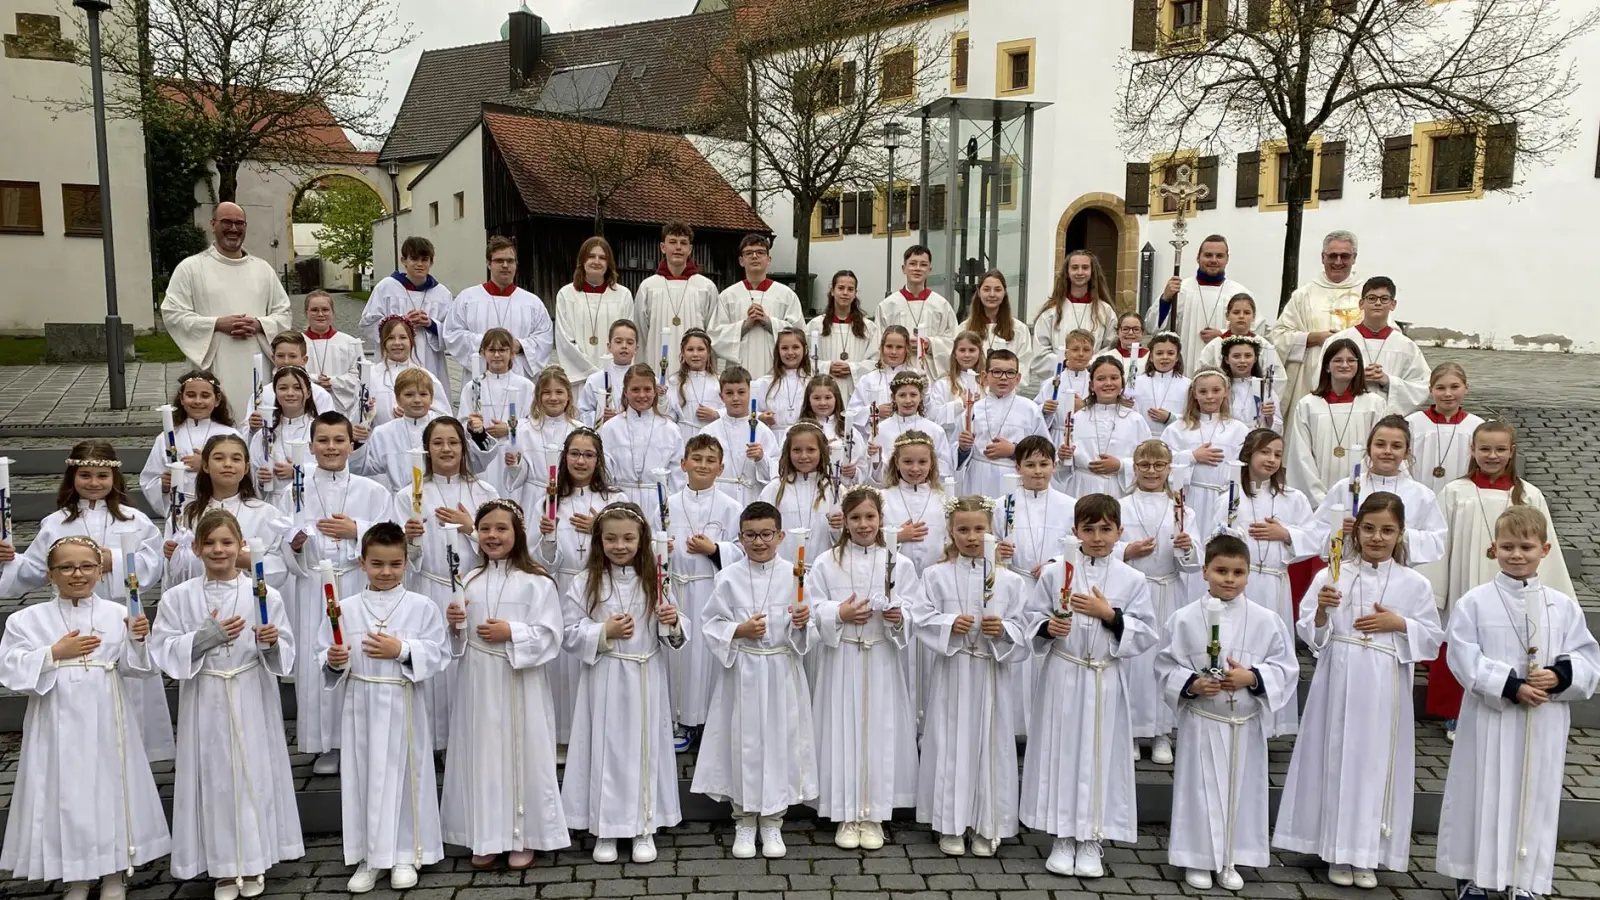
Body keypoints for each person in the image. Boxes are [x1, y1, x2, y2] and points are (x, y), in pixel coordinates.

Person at [1273, 493, 1442, 888]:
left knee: (1374, 764)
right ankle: (1334, 848)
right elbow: (1310, 635)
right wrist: (1321, 611)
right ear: (1356, 529)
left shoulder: (1414, 583)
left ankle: (1366, 852)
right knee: (1335, 755)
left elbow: (1433, 640)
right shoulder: (1332, 575)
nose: (1377, 538)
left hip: (1385, 684)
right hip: (1340, 677)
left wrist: (1399, 623)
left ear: (1401, 534)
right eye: (1369, 528)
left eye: (1387, 530)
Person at [1435, 506, 1598, 900]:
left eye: (1526, 547)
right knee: (1482, 789)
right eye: (1507, 546)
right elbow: (1461, 655)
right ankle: (1473, 875)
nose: (1517, 554)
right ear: (1493, 549)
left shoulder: (1563, 605)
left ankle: (1526, 880)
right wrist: (1509, 685)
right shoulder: (1475, 602)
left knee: (1535, 797)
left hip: (1542, 719)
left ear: (1544, 550)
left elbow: (1587, 657)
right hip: (1491, 717)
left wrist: (1560, 676)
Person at [0, 535, 169, 900]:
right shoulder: (26, 619)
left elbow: (138, 668)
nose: (77, 574)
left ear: (100, 570)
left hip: (107, 715)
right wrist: (53, 653)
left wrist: (139, 641)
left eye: (87, 566)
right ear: (50, 575)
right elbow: (10, 668)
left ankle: (113, 873)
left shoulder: (117, 613)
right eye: (67, 567)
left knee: (109, 788)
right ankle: (74, 876)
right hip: (56, 720)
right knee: (66, 793)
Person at [151, 509, 302, 900]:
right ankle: (221, 868)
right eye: (211, 543)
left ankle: (253, 862)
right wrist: (203, 638)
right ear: (197, 548)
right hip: (206, 696)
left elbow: (285, 651)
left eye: (227, 542)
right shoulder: (177, 597)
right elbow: (162, 650)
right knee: (215, 780)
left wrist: (269, 642)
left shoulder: (264, 594)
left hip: (251, 691)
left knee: (254, 774)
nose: (219, 549)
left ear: (241, 547)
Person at [0, 442, 173, 762]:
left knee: (127, 697)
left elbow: (153, 565)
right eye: (85, 475)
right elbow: (37, 570)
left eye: (102, 475)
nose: (94, 482)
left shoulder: (135, 521)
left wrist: (115, 561)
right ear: (72, 476)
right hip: (70, 619)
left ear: (115, 477)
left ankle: (131, 763)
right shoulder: (56, 523)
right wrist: (11, 559)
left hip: (119, 619)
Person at [1022, 494, 1159, 877]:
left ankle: (1092, 838)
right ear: (1075, 530)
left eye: (1105, 529)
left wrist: (1111, 617)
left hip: (1103, 676)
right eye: (1089, 529)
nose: (1097, 537)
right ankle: (1063, 835)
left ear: (1119, 532)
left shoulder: (1132, 579)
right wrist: (1049, 628)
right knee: (1062, 750)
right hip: (1063, 672)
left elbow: (1146, 630)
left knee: (1099, 754)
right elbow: (1031, 617)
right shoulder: (1056, 573)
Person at [1156, 534, 1298, 891]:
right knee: (1199, 790)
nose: (1229, 579)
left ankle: (1233, 857)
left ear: (1249, 575)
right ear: (1204, 571)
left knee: (1241, 790)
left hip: (1243, 725)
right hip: (1204, 720)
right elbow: (1164, 664)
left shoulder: (1267, 620)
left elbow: (1286, 666)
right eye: (1221, 570)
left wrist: (1252, 676)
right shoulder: (1185, 619)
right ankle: (1198, 857)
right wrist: (1191, 684)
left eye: (1238, 572)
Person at [318, 522, 451, 892]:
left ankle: (407, 851)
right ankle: (368, 856)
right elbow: (326, 654)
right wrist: (333, 659)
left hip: (402, 701)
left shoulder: (421, 606)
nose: (386, 572)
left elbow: (439, 652)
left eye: (394, 564)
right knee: (364, 777)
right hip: (361, 704)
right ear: (362, 563)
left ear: (406, 562)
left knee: (407, 775)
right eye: (377, 564)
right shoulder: (342, 609)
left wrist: (403, 651)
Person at [441, 499, 570, 870]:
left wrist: (510, 631)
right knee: (483, 754)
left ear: (518, 534)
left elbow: (551, 634)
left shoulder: (537, 581)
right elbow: (454, 643)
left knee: (522, 752)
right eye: (485, 529)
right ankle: (486, 834)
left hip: (520, 681)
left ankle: (523, 834)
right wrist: (454, 624)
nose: (493, 536)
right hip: (479, 683)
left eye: (502, 529)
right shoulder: (467, 580)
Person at [1425, 421, 1574, 742]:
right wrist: (1436, 594)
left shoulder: (1529, 495)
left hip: (1518, 589)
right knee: (1466, 641)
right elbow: (1440, 548)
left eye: (1500, 449)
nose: (1492, 455)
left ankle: (1512, 696)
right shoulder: (1454, 493)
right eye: (1485, 449)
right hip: (1465, 584)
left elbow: (1548, 548)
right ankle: (1456, 712)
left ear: (1512, 452)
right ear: (1473, 451)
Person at [562, 502, 687, 864]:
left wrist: (672, 619)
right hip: (605, 677)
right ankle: (606, 828)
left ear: (642, 540)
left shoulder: (657, 579)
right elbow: (569, 632)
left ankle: (643, 825)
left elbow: (674, 635)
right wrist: (604, 631)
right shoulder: (584, 582)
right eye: (612, 538)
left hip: (645, 675)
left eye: (629, 538)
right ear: (599, 541)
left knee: (643, 750)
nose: (620, 546)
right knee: (606, 751)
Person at [692, 500, 818, 859]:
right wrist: (738, 630)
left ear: (780, 536)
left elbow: (808, 635)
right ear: (740, 538)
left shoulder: (796, 576)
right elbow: (711, 623)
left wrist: (802, 623)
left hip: (780, 671)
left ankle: (774, 821)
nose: (759, 542)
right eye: (750, 535)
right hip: (743, 672)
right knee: (743, 744)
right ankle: (745, 820)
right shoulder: (728, 576)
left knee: (780, 743)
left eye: (766, 534)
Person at [277, 412, 395, 775]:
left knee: (360, 655)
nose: (331, 447)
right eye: (323, 441)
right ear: (311, 446)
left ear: (351, 444)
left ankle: (365, 738)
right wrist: (294, 543)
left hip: (358, 583)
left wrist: (356, 529)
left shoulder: (372, 490)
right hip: (314, 585)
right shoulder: (292, 491)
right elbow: (281, 536)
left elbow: (389, 535)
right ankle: (326, 742)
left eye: (338, 440)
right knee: (321, 661)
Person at [912, 495, 1029, 858]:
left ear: (991, 530)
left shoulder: (1010, 582)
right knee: (950, 744)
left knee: (989, 745)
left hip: (990, 673)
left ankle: (987, 822)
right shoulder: (936, 576)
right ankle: (949, 822)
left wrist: (1004, 629)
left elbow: (1024, 628)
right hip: (954, 669)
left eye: (979, 528)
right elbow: (921, 617)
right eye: (963, 529)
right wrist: (949, 623)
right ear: (950, 532)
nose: (972, 537)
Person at [806, 486, 919, 851]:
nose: (863, 524)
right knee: (843, 731)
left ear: (881, 520)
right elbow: (812, 607)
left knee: (879, 733)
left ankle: (874, 814)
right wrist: (838, 613)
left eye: (870, 517)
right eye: (855, 518)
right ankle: (845, 813)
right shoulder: (826, 562)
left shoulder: (899, 563)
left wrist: (898, 616)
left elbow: (915, 609)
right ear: (844, 522)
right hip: (842, 659)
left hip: (881, 657)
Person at [397, 416, 501, 750]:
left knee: (469, 668)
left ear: (464, 447)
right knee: (435, 668)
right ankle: (436, 743)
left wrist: (470, 527)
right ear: (426, 449)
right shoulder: (409, 494)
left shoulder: (484, 491)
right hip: (428, 586)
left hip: (473, 590)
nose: (446, 449)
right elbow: (399, 555)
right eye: (438, 442)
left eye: (453, 442)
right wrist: (409, 540)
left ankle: (471, 741)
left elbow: (501, 544)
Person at [1212, 429, 1318, 738]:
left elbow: (1313, 538)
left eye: (1277, 454)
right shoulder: (1231, 497)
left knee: (1269, 648)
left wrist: (1285, 534)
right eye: (1264, 452)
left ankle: (1269, 724)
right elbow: (1215, 539)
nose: (1271, 459)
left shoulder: (1293, 498)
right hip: (1241, 584)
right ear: (1248, 456)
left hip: (1273, 583)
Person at [533, 427, 623, 749]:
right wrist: (548, 536)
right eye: (574, 454)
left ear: (599, 460)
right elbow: (545, 562)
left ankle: (599, 737)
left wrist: (601, 527)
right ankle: (564, 737)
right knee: (564, 664)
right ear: (564, 457)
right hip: (563, 586)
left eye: (588, 454)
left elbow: (628, 546)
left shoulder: (615, 498)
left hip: (604, 588)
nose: (581, 461)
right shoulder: (550, 499)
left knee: (597, 659)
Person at [162, 202, 293, 410]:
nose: (233, 228)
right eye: (226, 222)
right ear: (213, 225)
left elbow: (283, 312)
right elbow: (172, 313)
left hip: (256, 361)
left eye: (239, 223)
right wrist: (216, 324)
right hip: (215, 362)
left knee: (257, 419)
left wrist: (259, 324)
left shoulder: (262, 269)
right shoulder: (191, 268)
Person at [1120, 441, 1202, 763]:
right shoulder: (1121, 505)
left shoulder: (1182, 509)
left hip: (1168, 591)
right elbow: (1108, 545)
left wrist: (1186, 547)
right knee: (1133, 664)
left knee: (1164, 662)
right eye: (1144, 464)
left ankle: (1161, 733)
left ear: (1169, 468)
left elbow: (1195, 564)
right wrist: (1128, 551)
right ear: (1134, 467)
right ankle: (1129, 729)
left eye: (1159, 465)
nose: (1151, 471)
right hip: (1133, 593)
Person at [662, 435, 744, 748]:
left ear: (721, 468)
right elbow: (649, 546)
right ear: (683, 464)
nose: (703, 465)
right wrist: (662, 547)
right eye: (696, 459)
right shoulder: (667, 503)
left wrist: (715, 549)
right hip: (679, 590)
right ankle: (680, 721)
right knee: (680, 659)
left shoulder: (731, 506)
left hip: (711, 590)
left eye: (711, 461)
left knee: (709, 658)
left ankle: (709, 725)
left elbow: (742, 549)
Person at [994, 435, 1078, 738]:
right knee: (1018, 656)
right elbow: (990, 544)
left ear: (1055, 466)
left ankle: (1045, 728)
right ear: (1017, 467)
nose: (1037, 471)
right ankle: (1013, 727)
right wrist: (997, 552)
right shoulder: (1001, 505)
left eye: (1044, 464)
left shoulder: (1069, 506)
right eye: (1030, 465)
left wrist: (1055, 562)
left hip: (1051, 591)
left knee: (1045, 656)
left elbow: (1075, 545)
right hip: (1016, 587)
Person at [1309, 415, 1449, 570]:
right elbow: (1314, 535)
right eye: (1380, 445)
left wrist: (1399, 533)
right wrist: (1339, 530)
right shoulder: (1344, 488)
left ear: (1407, 452)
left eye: (1396, 446)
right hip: (1350, 572)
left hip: (1398, 576)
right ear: (1369, 449)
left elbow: (1436, 542)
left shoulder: (1422, 495)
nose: (1387, 451)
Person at [880, 430, 951, 727]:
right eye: (907, 462)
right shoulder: (884, 498)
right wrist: (898, 535)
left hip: (935, 589)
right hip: (901, 589)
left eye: (922, 462)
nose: (915, 468)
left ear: (932, 464)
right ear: (896, 464)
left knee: (931, 662)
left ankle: (930, 724)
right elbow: (868, 535)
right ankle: (904, 722)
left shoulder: (943, 498)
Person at [1268, 230, 1365, 433]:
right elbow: (1277, 337)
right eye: (1332, 256)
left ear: (1354, 258)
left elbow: (1383, 337)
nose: (1338, 261)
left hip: (1354, 381)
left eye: (1345, 256)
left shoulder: (1367, 295)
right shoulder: (1304, 295)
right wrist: (1312, 338)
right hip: (1309, 381)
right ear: (1323, 257)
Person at [170, 433, 293, 590]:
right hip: (199, 599)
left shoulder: (266, 514)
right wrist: (175, 556)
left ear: (246, 467)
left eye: (236, 459)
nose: (228, 464)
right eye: (219, 458)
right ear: (205, 466)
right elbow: (175, 574)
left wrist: (251, 561)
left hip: (248, 599)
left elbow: (280, 566)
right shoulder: (187, 515)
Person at [351, 368, 495, 492]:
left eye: (423, 394)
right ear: (398, 399)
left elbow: (475, 463)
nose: (417, 400)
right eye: (409, 395)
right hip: (402, 500)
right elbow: (362, 467)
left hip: (439, 497)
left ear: (432, 398)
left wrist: (479, 435)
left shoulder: (447, 427)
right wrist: (358, 442)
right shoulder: (384, 432)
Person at [1286, 338, 1387, 506]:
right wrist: (1320, 499)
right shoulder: (1308, 405)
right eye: (1338, 360)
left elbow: (1377, 449)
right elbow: (1301, 454)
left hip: (1360, 494)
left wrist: (1356, 491)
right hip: (1317, 499)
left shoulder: (1374, 404)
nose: (1345, 365)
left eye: (1351, 360)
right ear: (1327, 366)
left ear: (1358, 365)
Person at [444, 236, 553, 380]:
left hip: (519, 376)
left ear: (516, 264)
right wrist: (487, 342)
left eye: (510, 261)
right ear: (488, 264)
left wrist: (520, 345)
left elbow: (544, 338)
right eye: (499, 260)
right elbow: (452, 334)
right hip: (480, 375)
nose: (505, 265)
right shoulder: (467, 298)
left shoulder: (532, 302)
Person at [140, 370, 244, 519]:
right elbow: (149, 478)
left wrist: (205, 465)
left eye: (205, 395)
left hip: (222, 509)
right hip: (182, 509)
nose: (197, 401)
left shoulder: (230, 435)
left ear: (217, 400)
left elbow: (243, 472)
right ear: (181, 399)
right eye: (191, 395)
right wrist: (161, 485)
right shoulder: (167, 437)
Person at [360, 236, 454, 395]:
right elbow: (367, 323)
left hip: (429, 361)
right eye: (414, 259)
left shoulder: (442, 294)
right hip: (393, 359)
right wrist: (400, 323)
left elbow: (452, 332)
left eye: (424, 259)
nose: (419, 264)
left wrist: (431, 324)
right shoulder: (387, 287)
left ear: (431, 262)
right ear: (404, 260)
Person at [1160, 368, 1248, 536]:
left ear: (1226, 392)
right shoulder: (1178, 428)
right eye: (1203, 391)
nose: (1210, 396)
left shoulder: (1239, 429)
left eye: (1216, 390)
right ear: (1194, 394)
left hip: (1224, 498)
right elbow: (1162, 460)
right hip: (1190, 496)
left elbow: (1245, 467)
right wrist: (1191, 456)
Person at [1328, 276, 1429, 414]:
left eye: (1384, 299)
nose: (1378, 303)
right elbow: (1320, 379)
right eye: (1371, 298)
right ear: (1361, 303)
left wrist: (1388, 381)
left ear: (1393, 304)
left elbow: (1421, 386)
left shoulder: (1406, 346)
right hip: (1345, 414)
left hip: (1386, 420)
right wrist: (1356, 378)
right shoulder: (1339, 340)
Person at [1155, 236, 1253, 376]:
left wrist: (1225, 334)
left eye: (1219, 256)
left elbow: (1255, 331)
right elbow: (1156, 327)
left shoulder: (1239, 292)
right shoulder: (1180, 289)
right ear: (1198, 258)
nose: (1213, 260)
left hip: (1225, 367)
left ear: (1227, 259)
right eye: (1208, 255)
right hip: (1185, 364)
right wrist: (1166, 299)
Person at [601, 363, 685, 528]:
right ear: (626, 391)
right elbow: (605, 474)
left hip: (658, 504)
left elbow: (678, 478)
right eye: (635, 390)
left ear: (655, 392)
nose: (642, 395)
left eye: (647, 389)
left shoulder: (670, 430)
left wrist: (671, 511)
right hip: (620, 502)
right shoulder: (610, 428)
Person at [956, 349, 1048, 497]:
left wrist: (1014, 450)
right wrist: (963, 448)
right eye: (997, 372)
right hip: (978, 477)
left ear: (1018, 378)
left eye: (1010, 373)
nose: (1003, 378)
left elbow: (1044, 450)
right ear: (985, 376)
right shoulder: (974, 409)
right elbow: (954, 451)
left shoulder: (1030, 409)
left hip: (1013, 477)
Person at [710, 234, 803, 374]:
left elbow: (800, 333)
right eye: (748, 253)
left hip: (775, 370)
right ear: (741, 261)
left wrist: (769, 322)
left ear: (768, 260)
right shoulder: (728, 296)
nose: (754, 256)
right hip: (738, 374)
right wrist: (745, 325)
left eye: (760, 252)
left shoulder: (786, 295)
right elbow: (715, 336)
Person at [634, 222, 718, 376]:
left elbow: (712, 333)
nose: (678, 247)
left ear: (690, 249)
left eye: (683, 243)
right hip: (657, 366)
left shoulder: (706, 287)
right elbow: (641, 332)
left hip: (697, 372)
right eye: (672, 242)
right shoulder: (648, 287)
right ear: (663, 247)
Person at [458, 328, 536, 492]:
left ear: (512, 353)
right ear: (483, 353)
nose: (497, 355)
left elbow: (534, 422)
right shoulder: (472, 387)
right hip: (484, 458)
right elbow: (462, 423)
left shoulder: (526, 386)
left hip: (512, 454)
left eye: (502, 350)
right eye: (491, 350)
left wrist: (510, 428)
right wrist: (471, 426)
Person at [759, 422, 843, 567]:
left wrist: (840, 526)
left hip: (823, 570)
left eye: (811, 450)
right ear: (788, 452)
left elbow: (845, 539)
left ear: (822, 451)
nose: (804, 456)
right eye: (797, 450)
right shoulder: (774, 489)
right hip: (783, 569)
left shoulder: (836, 490)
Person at [554, 237, 637, 382]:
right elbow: (565, 340)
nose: (596, 262)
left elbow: (627, 338)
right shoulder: (566, 295)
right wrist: (593, 373)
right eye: (591, 256)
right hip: (578, 379)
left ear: (609, 263)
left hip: (613, 376)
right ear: (582, 261)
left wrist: (607, 369)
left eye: (602, 258)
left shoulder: (623, 295)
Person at [1066, 354, 1150, 497]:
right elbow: (1064, 464)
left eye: (1114, 378)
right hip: (1083, 487)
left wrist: (1121, 465)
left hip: (1119, 488)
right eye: (1101, 379)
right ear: (1092, 385)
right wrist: (1064, 457)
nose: (1108, 383)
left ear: (1122, 383)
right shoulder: (1078, 418)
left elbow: (1148, 458)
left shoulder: (1135, 420)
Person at [700, 366, 780, 507]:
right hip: (719, 499)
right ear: (721, 396)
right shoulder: (709, 432)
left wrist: (761, 458)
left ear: (750, 393)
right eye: (729, 393)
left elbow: (775, 475)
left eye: (741, 392)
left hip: (751, 498)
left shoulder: (763, 432)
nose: (735, 398)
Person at [1032, 249, 1119, 377]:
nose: (1079, 272)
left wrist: (1090, 363)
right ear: (1067, 272)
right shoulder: (1051, 311)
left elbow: (1111, 347)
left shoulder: (1105, 311)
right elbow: (1040, 353)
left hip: (1092, 378)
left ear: (1092, 272)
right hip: (1059, 378)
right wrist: (1066, 362)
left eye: (1085, 268)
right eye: (1074, 268)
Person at [876, 245, 958, 376]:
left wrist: (930, 344)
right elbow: (878, 342)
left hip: (931, 375)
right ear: (904, 268)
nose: (917, 269)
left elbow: (954, 341)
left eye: (923, 264)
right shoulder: (888, 306)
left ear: (930, 269)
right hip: (896, 374)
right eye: (913, 264)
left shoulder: (941, 305)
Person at [1403, 363, 1483, 496]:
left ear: (1466, 388)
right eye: (1440, 388)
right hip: (1418, 494)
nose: (1448, 394)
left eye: (1455, 387)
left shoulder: (1476, 426)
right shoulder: (1412, 423)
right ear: (1430, 390)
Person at [248, 367, 319, 509]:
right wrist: (261, 480)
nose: (290, 393)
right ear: (275, 392)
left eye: (297, 388)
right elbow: (252, 472)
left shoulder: (319, 431)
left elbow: (333, 468)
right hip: (273, 505)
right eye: (283, 388)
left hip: (311, 503)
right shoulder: (264, 434)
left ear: (309, 393)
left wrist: (299, 472)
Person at [867, 371, 954, 485]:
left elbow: (944, 469)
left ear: (921, 396)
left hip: (926, 493)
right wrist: (876, 462)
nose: (908, 400)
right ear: (893, 397)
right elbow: (874, 477)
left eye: (913, 395)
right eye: (902, 395)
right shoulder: (880, 430)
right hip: (892, 493)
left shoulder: (935, 430)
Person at [806, 270, 881, 402]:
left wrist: (852, 368)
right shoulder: (815, 326)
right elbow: (805, 360)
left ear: (855, 294)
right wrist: (827, 367)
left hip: (856, 393)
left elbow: (877, 361)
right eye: (841, 288)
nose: (845, 293)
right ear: (832, 291)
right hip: (824, 394)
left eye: (850, 289)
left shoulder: (868, 328)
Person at [367, 317, 452, 428]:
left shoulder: (426, 377)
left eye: (403, 337)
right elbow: (356, 415)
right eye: (391, 338)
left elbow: (444, 417)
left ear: (411, 341)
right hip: (380, 441)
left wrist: (416, 414)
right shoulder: (371, 375)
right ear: (383, 342)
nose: (397, 343)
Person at [964, 269, 1036, 390]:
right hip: (974, 394)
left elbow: (1023, 367)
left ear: (1004, 293)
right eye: (986, 289)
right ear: (978, 291)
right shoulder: (964, 329)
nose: (992, 294)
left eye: (997, 290)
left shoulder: (1019, 330)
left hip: (1007, 395)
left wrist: (1003, 390)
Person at [301, 290, 366, 419]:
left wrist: (333, 382)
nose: (320, 314)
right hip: (306, 407)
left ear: (332, 313)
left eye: (325, 309)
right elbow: (288, 372)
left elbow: (361, 376)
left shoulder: (350, 343)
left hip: (341, 408)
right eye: (314, 310)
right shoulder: (297, 343)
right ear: (306, 313)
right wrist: (314, 380)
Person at [846, 326, 917, 433]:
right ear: (882, 348)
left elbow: (929, 411)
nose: (893, 352)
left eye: (899, 347)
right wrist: (874, 411)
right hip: (878, 440)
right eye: (889, 346)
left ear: (907, 349)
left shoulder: (916, 377)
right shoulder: (868, 380)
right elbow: (851, 414)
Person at [1035, 329, 1094, 455]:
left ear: (1092, 354)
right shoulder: (1051, 383)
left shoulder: (1095, 382)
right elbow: (1034, 412)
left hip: (1085, 439)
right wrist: (1044, 409)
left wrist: (1084, 407)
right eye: (1075, 349)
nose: (1081, 354)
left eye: (1086, 350)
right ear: (1066, 354)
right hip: (1057, 438)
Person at [752, 327, 814, 445]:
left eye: (795, 347)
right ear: (778, 351)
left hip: (804, 440)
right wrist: (761, 417)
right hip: (772, 439)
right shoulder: (764, 383)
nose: (790, 353)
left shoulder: (812, 382)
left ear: (805, 350)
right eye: (784, 348)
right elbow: (750, 412)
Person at [1194, 293, 1280, 375]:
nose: (1241, 316)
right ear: (1227, 315)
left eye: (1246, 313)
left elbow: (1276, 377)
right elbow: (1202, 372)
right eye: (1236, 312)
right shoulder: (1215, 345)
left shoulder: (1264, 346)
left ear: (1253, 317)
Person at [576, 319, 640, 429]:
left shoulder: (645, 379)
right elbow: (582, 413)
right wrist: (600, 416)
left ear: (636, 348)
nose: (624, 346)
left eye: (629, 342)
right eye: (618, 341)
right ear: (609, 346)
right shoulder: (595, 380)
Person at [664, 330, 724, 442]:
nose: (695, 354)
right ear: (683, 352)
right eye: (690, 349)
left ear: (709, 352)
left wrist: (717, 414)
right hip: (683, 437)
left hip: (712, 437)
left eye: (700, 349)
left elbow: (732, 410)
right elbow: (669, 411)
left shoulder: (719, 381)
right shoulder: (674, 382)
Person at [1130, 332, 1189, 438]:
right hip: (1142, 438)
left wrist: (1171, 418)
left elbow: (1194, 416)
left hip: (1175, 439)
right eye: (1159, 353)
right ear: (1151, 357)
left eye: (1170, 353)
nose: (1165, 357)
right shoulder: (1136, 382)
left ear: (1177, 358)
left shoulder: (1188, 385)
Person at [1218, 336, 1283, 433]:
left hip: (1256, 442)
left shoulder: (1264, 389)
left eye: (1248, 356)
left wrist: (1270, 416)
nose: (1242, 361)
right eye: (1236, 356)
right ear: (1227, 359)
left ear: (1255, 359)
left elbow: (1277, 429)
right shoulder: (1220, 388)